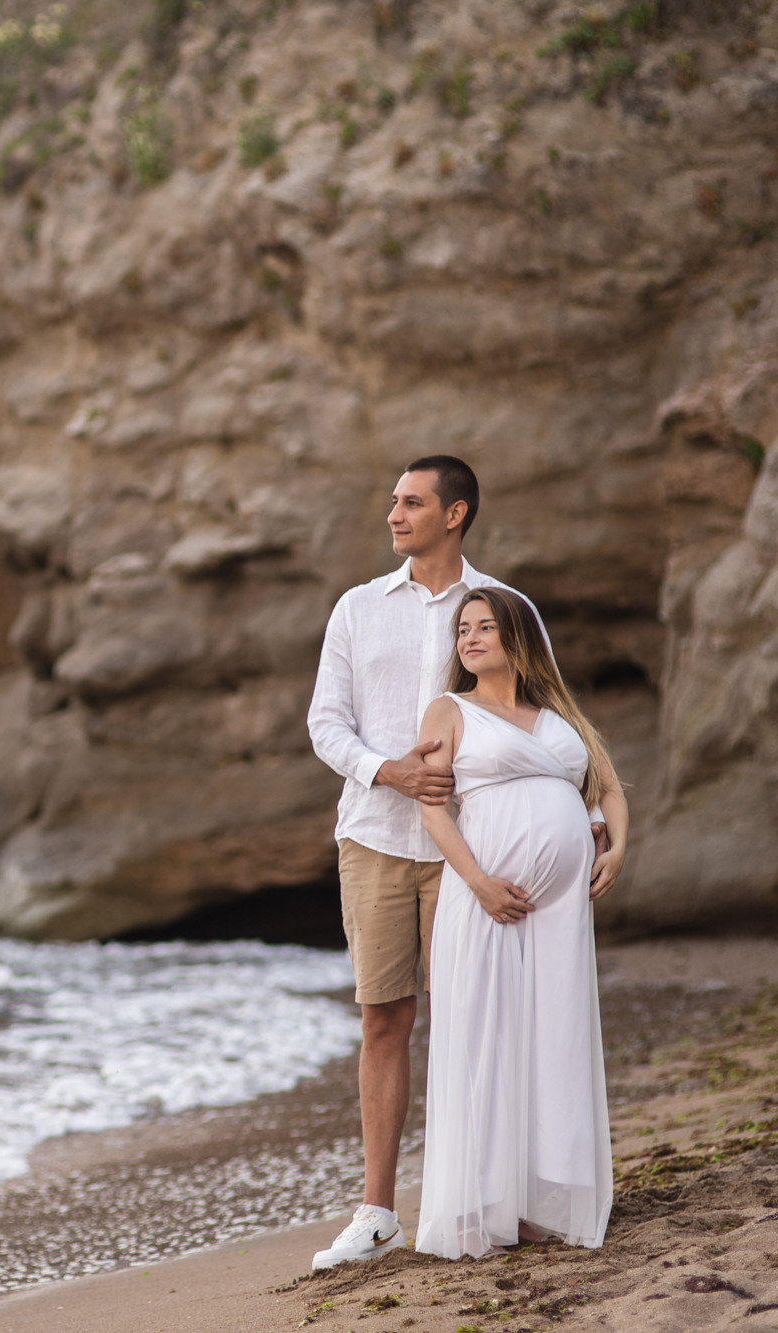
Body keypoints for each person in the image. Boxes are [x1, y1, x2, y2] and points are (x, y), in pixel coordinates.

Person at [305, 456, 603, 1270]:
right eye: (393, 500)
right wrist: (388, 769)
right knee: (383, 1017)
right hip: (374, 835)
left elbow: (550, 719)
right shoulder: (358, 607)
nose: (394, 514)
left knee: (486, 1014)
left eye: (411, 502)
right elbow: (325, 723)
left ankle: (493, 1194)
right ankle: (377, 1212)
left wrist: (600, 815)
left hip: (474, 845)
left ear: (455, 513)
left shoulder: (500, 608)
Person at [412, 586, 625, 1257]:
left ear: (516, 636)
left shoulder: (557, 711)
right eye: (462, 630)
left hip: (560, 909)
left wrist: (618, 845)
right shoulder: (448, 710)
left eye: (484, 627)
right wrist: (477, 883)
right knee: (488, 1031)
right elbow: (432, 808)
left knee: (549, 1033)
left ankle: (532, 1202)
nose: (469, 639)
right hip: (486, 899)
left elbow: (609, 788)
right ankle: (482, 1205)